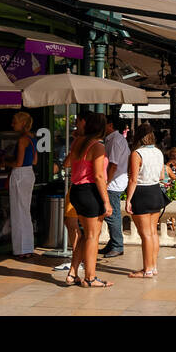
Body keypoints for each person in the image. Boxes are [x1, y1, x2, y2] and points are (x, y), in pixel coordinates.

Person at [64, 112, 112, 288]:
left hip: (76, 190)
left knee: (85, 235)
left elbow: (67, 163)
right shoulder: (97, 147)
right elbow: (99, 176)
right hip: (90, 191)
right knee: (92, 236)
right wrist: (106, 201)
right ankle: (90, 278)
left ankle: (73, 273)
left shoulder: (78, 142)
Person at [125, 123, 168, 279]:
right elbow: (162, 176)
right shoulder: (158, 152)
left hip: (141, 192)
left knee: (145, 235)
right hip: (155, 191)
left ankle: (147, 270)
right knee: (153, 232)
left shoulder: (137, 153)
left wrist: (128, 199)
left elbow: (133, 179)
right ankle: (153, 266)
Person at [0, 111, 37, 259]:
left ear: (22, 123)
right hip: (29, 173)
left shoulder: (22, 140)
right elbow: (34, 161)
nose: (12, 124)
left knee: (18, 212)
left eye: (14, 122)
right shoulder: (32, 138)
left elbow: (18, 163)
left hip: (20, 174)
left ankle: (21, 249)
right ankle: (27, 247)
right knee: (24, 211)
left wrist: (5, 162)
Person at [101, 115, 130, 260]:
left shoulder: (115, 140)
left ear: (110, 125)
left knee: (113, 215)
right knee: (112, 214)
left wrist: (106, 182)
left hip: (114, 183)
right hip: (115, 181)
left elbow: (113, 164)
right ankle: (113, 243)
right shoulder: (113, 139)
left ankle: (117, 245)